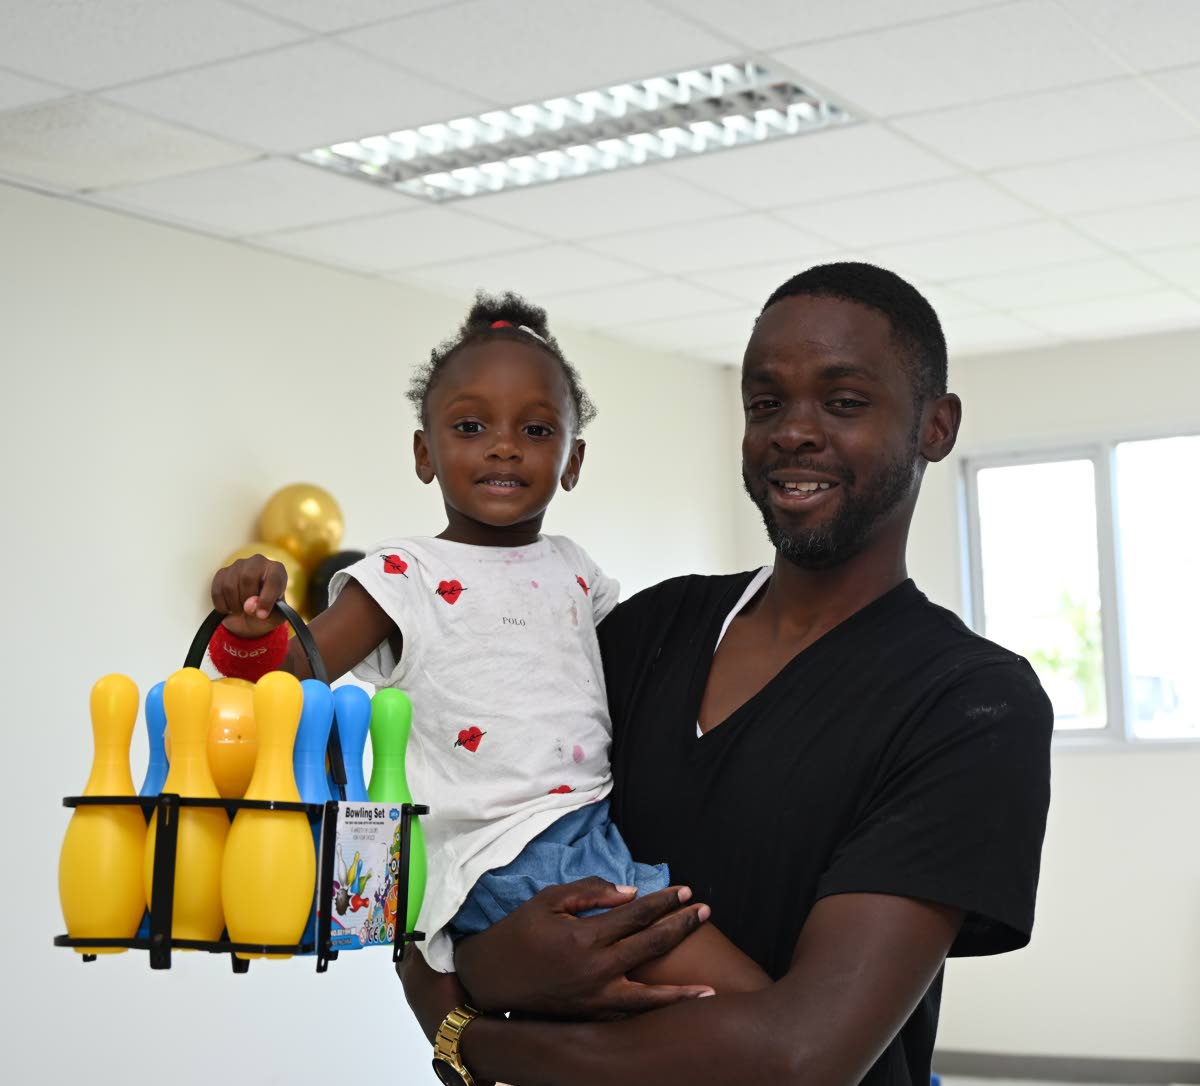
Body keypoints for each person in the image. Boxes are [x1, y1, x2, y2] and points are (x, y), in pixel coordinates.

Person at [398, 262, 1054, 1086]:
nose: (793, 432)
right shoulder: (640, 635)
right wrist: (488, 965)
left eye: (843, 402)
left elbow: (802, 1058)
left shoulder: (969, 703)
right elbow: (447, 815)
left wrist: (478, 1033)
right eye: (765, 404)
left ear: (935, 425)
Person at [206, 292, 769, 996]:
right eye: (471, 425)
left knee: (693, 1027)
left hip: (593, 830)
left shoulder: (575, 569)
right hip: (500, 856)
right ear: (425, 451)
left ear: (572, 460)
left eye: (536, 430)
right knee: (749, 1004)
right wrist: (252, 627)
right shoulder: (402, 576)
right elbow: (289, 678)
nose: (504, 445)